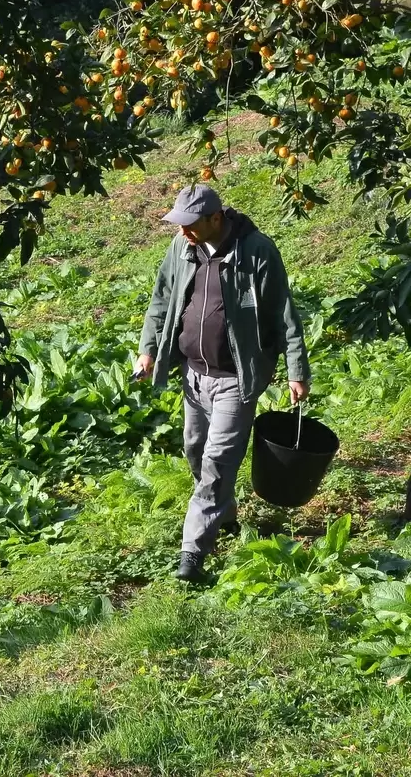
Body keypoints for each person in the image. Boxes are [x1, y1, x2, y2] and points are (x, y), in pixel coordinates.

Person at [136, 184, 311, 583]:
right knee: (196, 450)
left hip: (235, 379)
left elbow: (283, 312)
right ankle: (225, 515)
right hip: (194, 375)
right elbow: (161, 300)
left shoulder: (256, 251)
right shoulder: (182, 249)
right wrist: (148, 349)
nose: (183, 231)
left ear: (216, 218)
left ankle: (192, 555)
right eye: (179, 224)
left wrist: (296, 369)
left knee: (216, 462)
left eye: (190, 224)